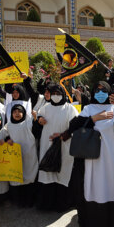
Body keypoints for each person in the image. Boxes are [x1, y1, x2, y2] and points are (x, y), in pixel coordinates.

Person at [65, 81, 114, 227]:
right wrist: (94, 119)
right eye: (98, 90)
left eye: (104, 90)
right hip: (92, 157)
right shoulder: (88, 108)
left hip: (113, 155)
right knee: (95, 185)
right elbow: (74, 126)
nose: (100, 93)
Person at [34, 84, 78, 212]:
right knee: (48, 174)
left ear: (63, 95)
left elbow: (75, 126)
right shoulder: (45, 108)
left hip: (65, 145)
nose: (55, 96)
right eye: (53, 93)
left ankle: (62, 204)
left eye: (58, 94)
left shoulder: (70, 109)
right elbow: (36, 124)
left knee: (63, 173)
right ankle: (47, 205)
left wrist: (62, 135)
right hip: (47, 146)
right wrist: (39, 120)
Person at [6, 104, 39, 207]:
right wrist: (8, 139)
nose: (17, 114)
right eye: (14, 112)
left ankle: (29, 201)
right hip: (15, 158)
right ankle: (19, 202)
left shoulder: (28, 123)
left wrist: (35, 119)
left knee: (29, 178)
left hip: (29, 156)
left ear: (23, 113)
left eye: (19, 111)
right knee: (17, 180)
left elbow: (37, 132)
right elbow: (4, 135)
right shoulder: (9, 126)